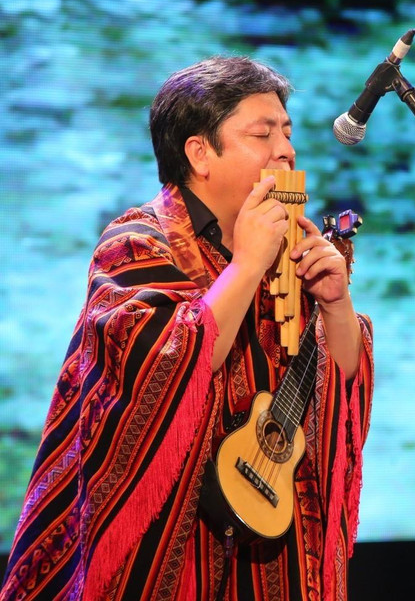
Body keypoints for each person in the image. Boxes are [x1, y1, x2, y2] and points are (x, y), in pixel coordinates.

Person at [1, 57, 373, 600]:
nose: (286, 150)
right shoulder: (134, 244)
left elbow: (339, 383)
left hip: (268, 543)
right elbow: (163, 365)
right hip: (169, 553)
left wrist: (336, 306)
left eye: (288, 133)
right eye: (262, 134)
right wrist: (246, 266)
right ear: (199, 152)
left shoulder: (287, 252)